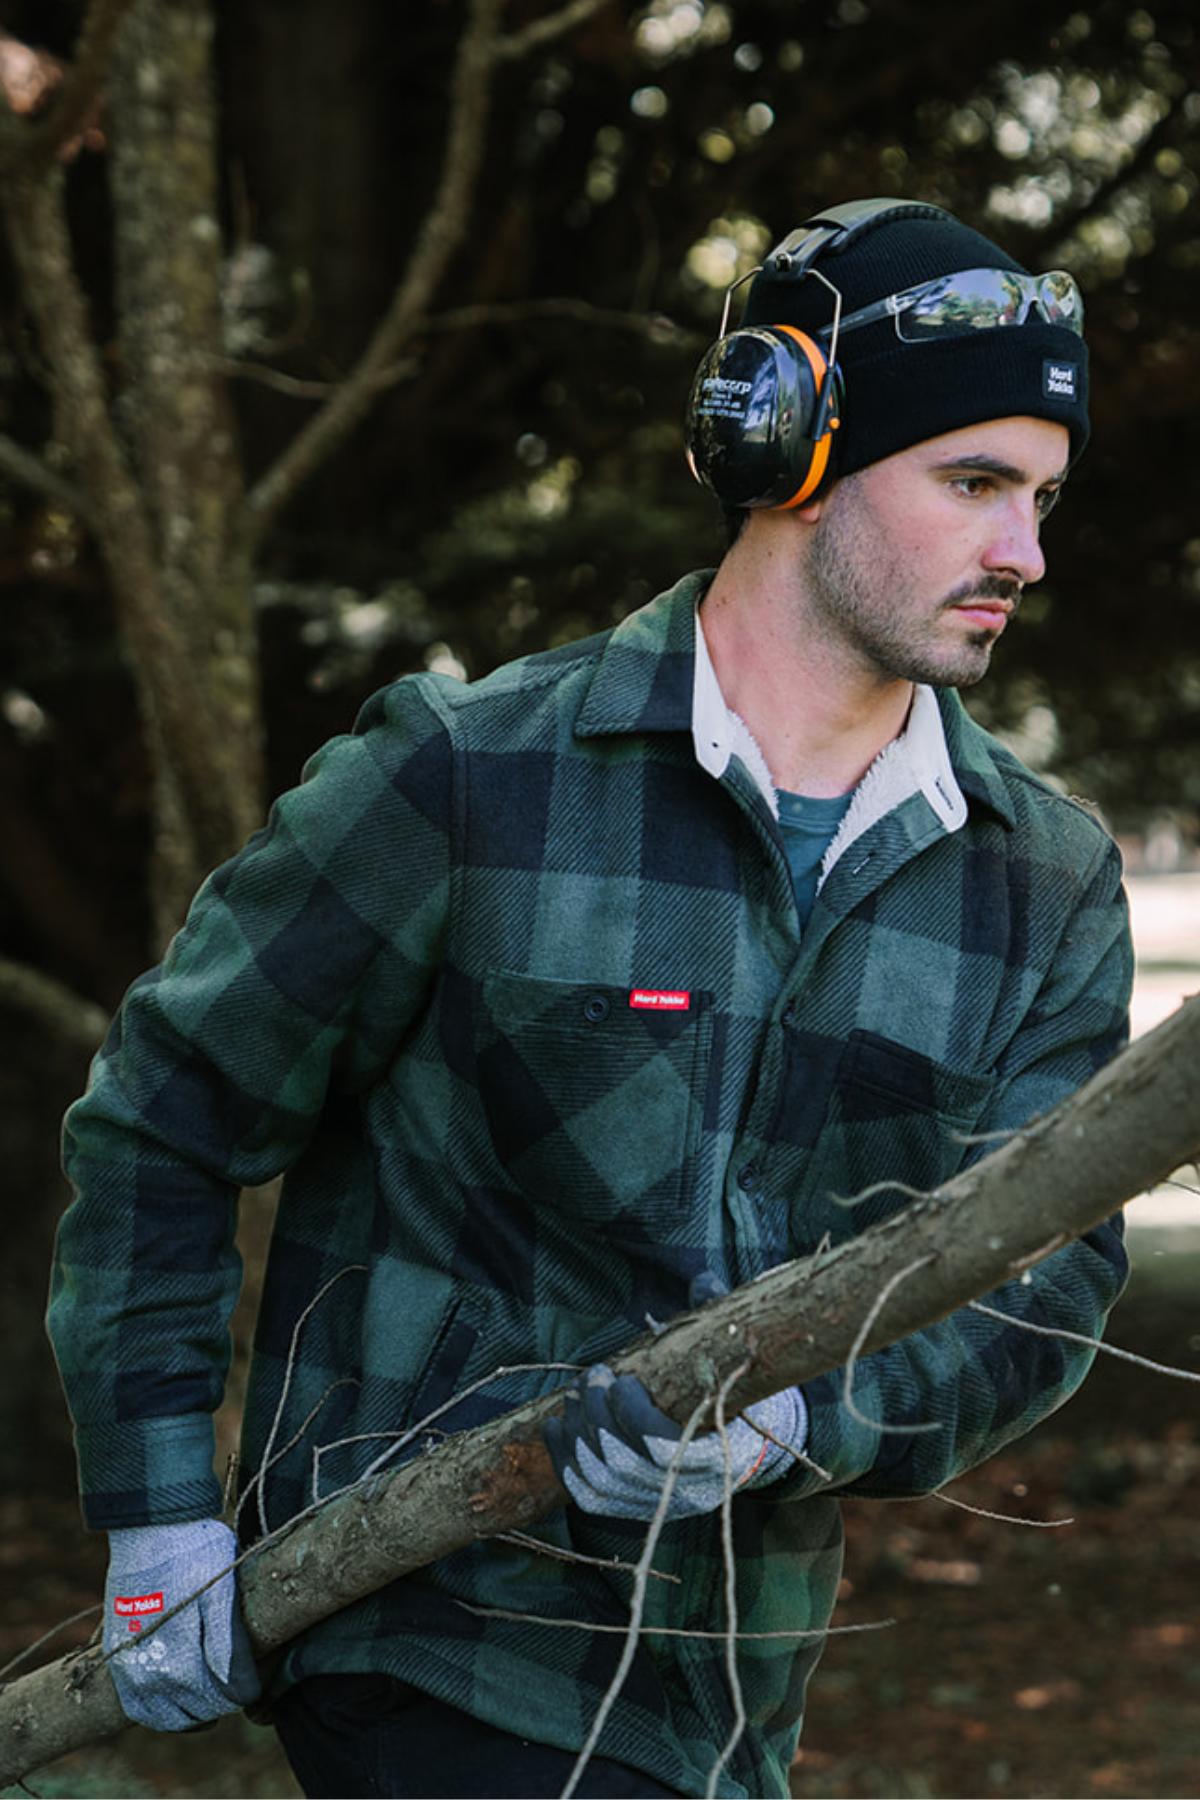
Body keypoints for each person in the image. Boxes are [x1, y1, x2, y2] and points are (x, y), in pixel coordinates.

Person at [48, 198, 1132, 1799]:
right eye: (973, 483)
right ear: (787, 450)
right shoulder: (469, 777)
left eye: (1040, 496)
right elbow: (169, 1106)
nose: (1023, 552)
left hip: (733, 1698)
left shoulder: (1041, 878)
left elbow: (1044, 1280)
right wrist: (157, 1513)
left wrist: (791, 1422)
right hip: (420, 1639)